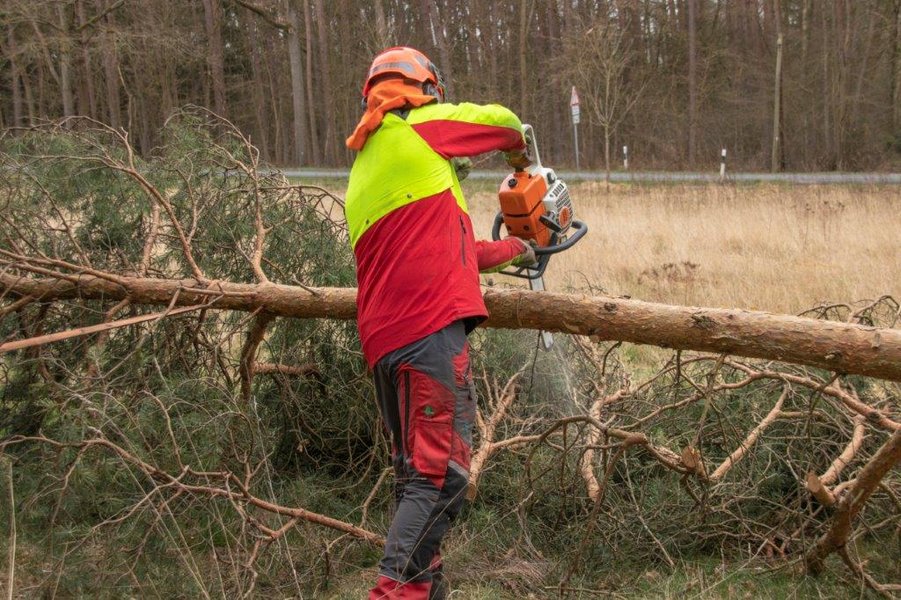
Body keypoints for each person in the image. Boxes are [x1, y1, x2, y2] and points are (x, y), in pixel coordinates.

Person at [344, 46, 535, 599]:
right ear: (425, 90)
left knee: (414, 480)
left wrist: (514, 249)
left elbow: (447, 252)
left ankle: (426, 591)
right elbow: (498, 122)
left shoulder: (366, 167)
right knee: (440, 477)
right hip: (427, 333)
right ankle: (392, 593)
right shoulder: (419, 128)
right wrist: (524, 151)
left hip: (385, 341)